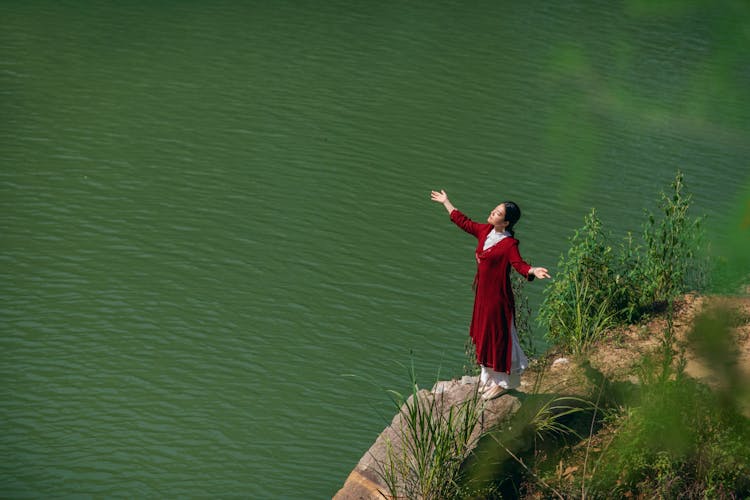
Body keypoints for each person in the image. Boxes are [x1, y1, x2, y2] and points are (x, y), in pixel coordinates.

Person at [430, 189, 551, 400]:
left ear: (505, 223)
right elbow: (464, 222)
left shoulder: (508, 244)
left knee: (498, 340)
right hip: (483, 297)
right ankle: (489, 378)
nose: (492, 214)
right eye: (494, 211)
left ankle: (504, 383)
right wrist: (446, 202)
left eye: (497, 214)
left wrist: (533, 270)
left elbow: (519, 264)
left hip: (497, 299)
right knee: (484, 337)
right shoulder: (486, 231)